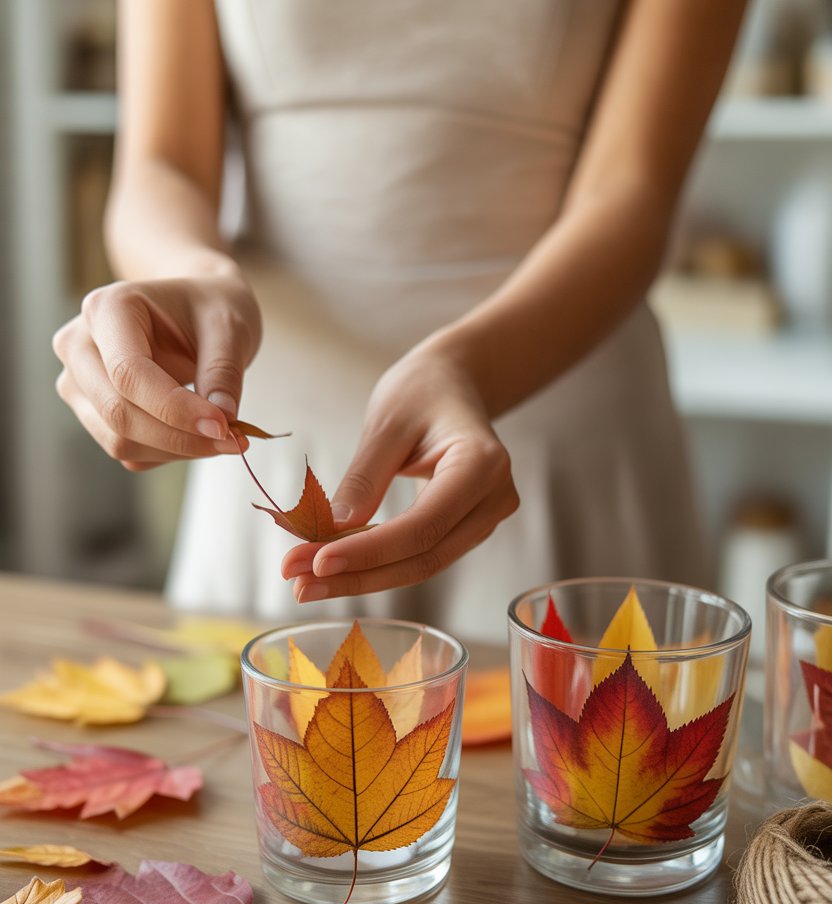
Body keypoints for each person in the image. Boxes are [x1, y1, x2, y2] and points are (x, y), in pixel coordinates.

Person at [53, 0, 748, 643]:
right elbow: (160, 162)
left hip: (555, 442)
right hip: (273, 451)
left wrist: (470, 368)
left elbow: (634, 189)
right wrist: (193, 274)